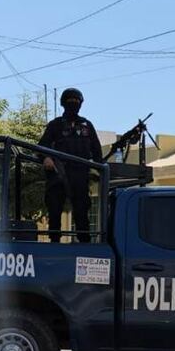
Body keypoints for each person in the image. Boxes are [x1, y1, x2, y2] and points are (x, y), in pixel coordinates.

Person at [38, 88, 103, 243]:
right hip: (58, 174)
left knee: (81, 212)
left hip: (80, 175)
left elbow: (97, 152)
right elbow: (41, 147)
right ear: (63, 103)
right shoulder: (55, 125)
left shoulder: (87, 125)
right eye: (70, 101)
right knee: (54, 209)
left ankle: (84, 244)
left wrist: (98, 169)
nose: (73, 104)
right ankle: (55, 242)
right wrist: (46, 158)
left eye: (76, 101)